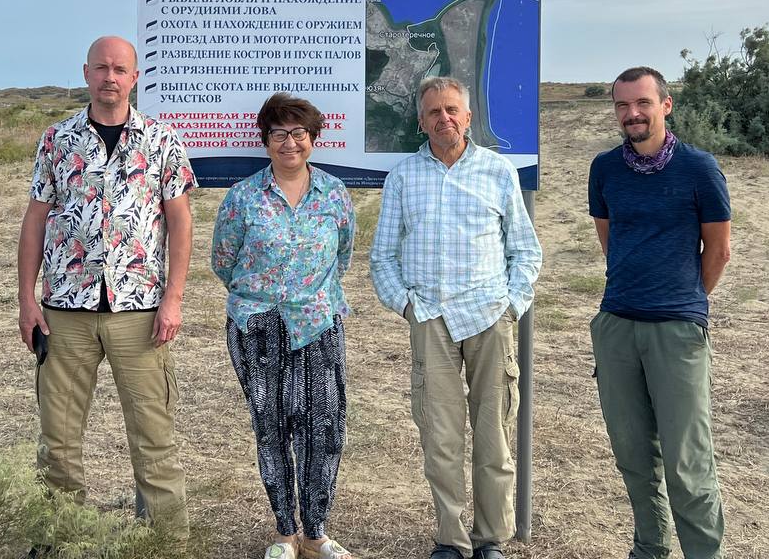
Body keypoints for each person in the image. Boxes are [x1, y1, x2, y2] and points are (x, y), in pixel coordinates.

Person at [17, 35, 196, 544]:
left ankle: (165, 545)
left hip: (139, 311)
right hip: (65, 310)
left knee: (153, 437)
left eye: (120, 69)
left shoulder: (161, 140)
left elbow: (180, 223)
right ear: (86, 73)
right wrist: (26, 299)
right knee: (58, 440)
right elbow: (35, 220)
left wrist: (173, 299)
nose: (109, 78)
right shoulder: (57, 139)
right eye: (101, 68)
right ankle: (59, 542)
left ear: (135, 77)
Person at [369, 77, 541, 559]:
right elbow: (382, 257)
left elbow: (525, 251)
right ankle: (451, 539)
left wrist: (510, 305)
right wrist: (408, 307)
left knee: (494, 436)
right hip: (431, 318)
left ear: (467, 117)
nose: (443, 118)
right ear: (421, 122)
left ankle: (490, 540)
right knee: (440, 440)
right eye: (433, 112)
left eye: (451, 110)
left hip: (489, 317)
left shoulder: (498, 171)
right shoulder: (404, 177)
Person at [588, 66, 731, 559]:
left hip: (676, 331)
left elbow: (718, 251)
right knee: (632, 455)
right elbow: (610, 241)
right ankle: (648, 549)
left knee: (687, 463)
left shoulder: (700, 168)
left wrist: (683, 300)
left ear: (666, 105)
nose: (633, 113)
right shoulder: (604, 169)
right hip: (617, 325)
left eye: (643, 103)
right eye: (623, 105)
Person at [211, 93, 357, 559]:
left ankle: (315, 534)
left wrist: (308, 293)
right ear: (266, 139)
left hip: (318, 323)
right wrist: (264, 294)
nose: (289, 142)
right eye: (279, 133)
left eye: (299, 133)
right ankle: (284, 532)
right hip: (258, 326)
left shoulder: (334, 193)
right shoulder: (243, 197)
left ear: (313, 139)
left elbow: (343, 255)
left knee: (323, 428)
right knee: (271, 427)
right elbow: (223, 260)